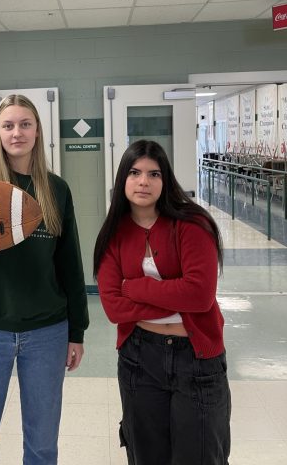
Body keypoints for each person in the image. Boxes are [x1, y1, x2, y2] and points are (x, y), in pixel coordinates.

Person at [0, 94, 89, 465]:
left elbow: (69, 264)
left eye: (25, 124)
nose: (17, 132)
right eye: (8, 125)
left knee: (42, 446)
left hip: (47, 332)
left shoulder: (56, 190)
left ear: (38, 130)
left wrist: (78, 331)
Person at [94, 140, 231, 465]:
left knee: (201, 456)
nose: (144, 181)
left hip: (196, 360)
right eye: (135, 172)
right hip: (139, 358)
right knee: (145, 456)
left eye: (154, 173)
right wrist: (176, 296)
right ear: (122, 180)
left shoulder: (192, 224)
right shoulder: (114, 233)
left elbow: (199, 296)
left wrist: (136, 287)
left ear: (165, 179)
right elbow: (114, 308)